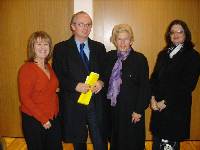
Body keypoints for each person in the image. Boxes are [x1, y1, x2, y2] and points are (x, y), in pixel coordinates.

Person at [52, 11, 107, 150]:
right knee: (78, 142)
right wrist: (74, 85)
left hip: (96, 102)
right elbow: (57, 75)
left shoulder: (99, 47)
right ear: (73, 26)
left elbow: (106, 72)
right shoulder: (61, 48)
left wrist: (101, 82)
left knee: (100, 140)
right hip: (74, 102)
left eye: (88, 24)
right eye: (81, 24)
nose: (85, 28)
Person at [150, 19, 200, 150]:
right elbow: (154, 77)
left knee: (169, 146)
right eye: (172, 32)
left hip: (175, 109)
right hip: (158, 107)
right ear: (169, 35)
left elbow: (188, 86)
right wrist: (152, 98)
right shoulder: (163, 54)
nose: (176, 34)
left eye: (180, 31)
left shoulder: (193, 56)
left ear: (186, 34)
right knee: (157, 144)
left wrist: (165, 102)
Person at [104, 24, 150, 150]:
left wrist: (139, 110)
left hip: (132, 112)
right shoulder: (109, 57)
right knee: (116, 142)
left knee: (132, 143)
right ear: (115, 40)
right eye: (119, 39)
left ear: (131, 40)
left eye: (126, 39)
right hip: (113, 111)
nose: (123, 42)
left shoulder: (139, 59)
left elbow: (145, 87)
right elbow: (102, 80)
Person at [18, 31, 63, 150]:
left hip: (52, 117)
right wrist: (43, 119)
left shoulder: (48, 66)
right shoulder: (27, 69)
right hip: (35, 120)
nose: (43, 47)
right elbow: (25, 98)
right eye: (38, 44)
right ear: (32, 47)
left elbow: (49, 87)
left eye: (46, 44)